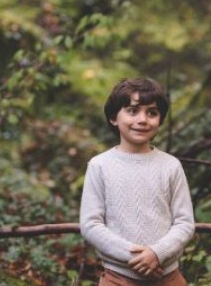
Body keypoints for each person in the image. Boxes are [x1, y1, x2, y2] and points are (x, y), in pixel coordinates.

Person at [80, 77, 195, 286]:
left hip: (167, 277)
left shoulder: (170, 166)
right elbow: (91, 225)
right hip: (118, 278)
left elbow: (184, 223)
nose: (143, 119)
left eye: (152, 112)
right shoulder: (100, 166)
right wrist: (135, 257)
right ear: (114, 117)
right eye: (133, 111)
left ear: (160, 120)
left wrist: (156, 253)